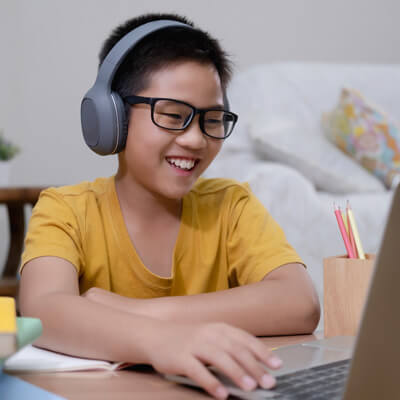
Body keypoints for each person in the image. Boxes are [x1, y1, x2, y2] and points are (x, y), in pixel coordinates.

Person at [19, 13, 320, 400]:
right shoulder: (65, 210)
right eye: (173, 116)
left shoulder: (232, 206)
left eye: (212, 119)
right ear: (113, 117)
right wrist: (157, 340)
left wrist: (132, 311)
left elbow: (299, 302)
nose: (195, 140)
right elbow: (43, 309)